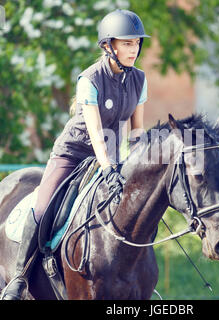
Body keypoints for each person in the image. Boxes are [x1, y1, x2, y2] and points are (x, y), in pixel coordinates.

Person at [0, 9, 150, 300]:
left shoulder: (139, 80)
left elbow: (137, 130)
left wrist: (138, 162)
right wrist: (107, 166)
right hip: (73, 155)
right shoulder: (89, 79)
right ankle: (19, 279)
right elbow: (95, 132)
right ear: (109, 46)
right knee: (42, 210)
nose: (135, 49)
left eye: (137, 43)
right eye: (128, 43)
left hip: (112, 161)